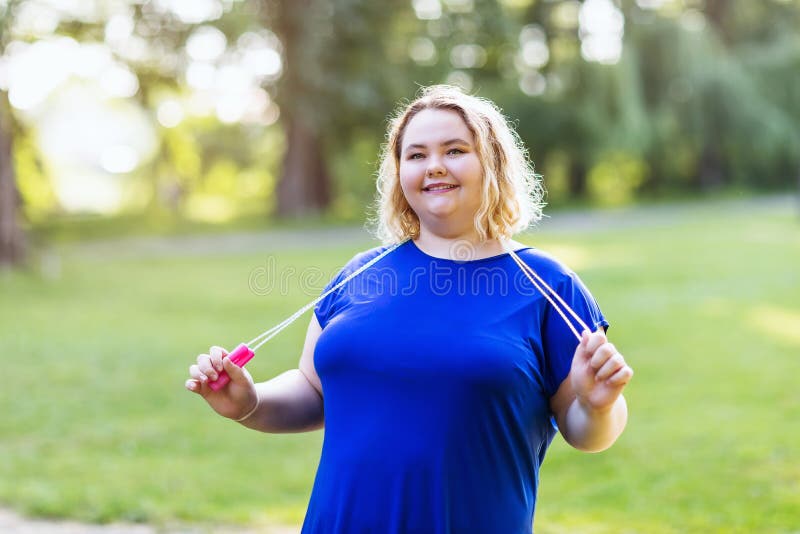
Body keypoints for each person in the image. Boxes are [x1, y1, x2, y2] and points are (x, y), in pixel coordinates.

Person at [185, 85, 633, 533]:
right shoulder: (362, 273)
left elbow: (587, 431)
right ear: (399, 172)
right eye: (416, 155)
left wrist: (598, 406)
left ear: (491, 163)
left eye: (455, 150)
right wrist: (251, 402)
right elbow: (314, 391)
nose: (434, 165)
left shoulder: (548, 286)